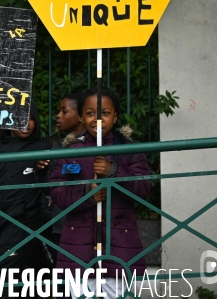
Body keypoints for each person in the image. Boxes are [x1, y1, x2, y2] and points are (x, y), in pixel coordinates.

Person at [50, 87, 151, 298]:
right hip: (78, 250)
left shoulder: (129, 150)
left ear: (115, 117)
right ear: (81, 117)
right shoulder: (70, 152)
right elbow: (58, 194)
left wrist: (113, 171)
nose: (97, 119)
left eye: (104, 113)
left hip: (120, 248)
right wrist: (88, 194)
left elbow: (143, 189)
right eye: (90, 113)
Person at [0, 105, 54, 298]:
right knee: (16, 284)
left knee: (13, 282)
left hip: (33, 225)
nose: (25, 124)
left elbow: (54, 190)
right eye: (19, 118)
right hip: (3, 226)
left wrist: (41, 172)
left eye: (30, 118)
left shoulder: (45, 148)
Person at [37, 93, 85, 263]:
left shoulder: (98, 142)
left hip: (89, 224)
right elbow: (48, 189)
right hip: (61, 225)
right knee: (65, 282)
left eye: (64, 111)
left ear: (80, 116)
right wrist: (41, 171)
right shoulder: (57, 146)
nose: (58, 115)